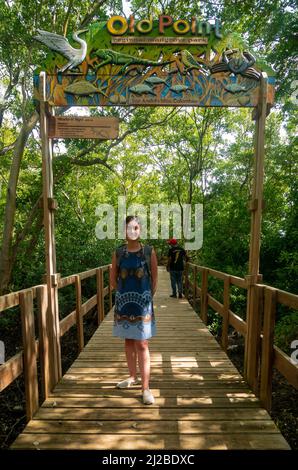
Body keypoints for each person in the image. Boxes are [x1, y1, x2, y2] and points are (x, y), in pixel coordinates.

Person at [110, 215, 158, 405]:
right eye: (129, 228)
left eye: (136, 228)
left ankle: (145, 388)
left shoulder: (148, 251)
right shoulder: (118, 252)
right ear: (125, 230)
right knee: (128, 341)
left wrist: (147, 297)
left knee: (142, 344)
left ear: (140, 230)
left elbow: (154, 278)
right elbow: (113, 278)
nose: (133, 231)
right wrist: (121, 294)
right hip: (124, 303)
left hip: (142, 303)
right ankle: (132, 377)